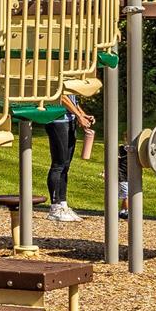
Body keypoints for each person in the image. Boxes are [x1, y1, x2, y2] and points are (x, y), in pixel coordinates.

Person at [46, 90, 94, 223]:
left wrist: (83, 115)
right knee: (58, 164)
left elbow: (72, 100)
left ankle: (63, 204)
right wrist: (79, 116)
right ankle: (55, 207)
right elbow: (61, 97)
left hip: (69, 119)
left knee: (66, 165)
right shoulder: (59, 73)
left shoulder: (72, 77)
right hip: (57, 119)